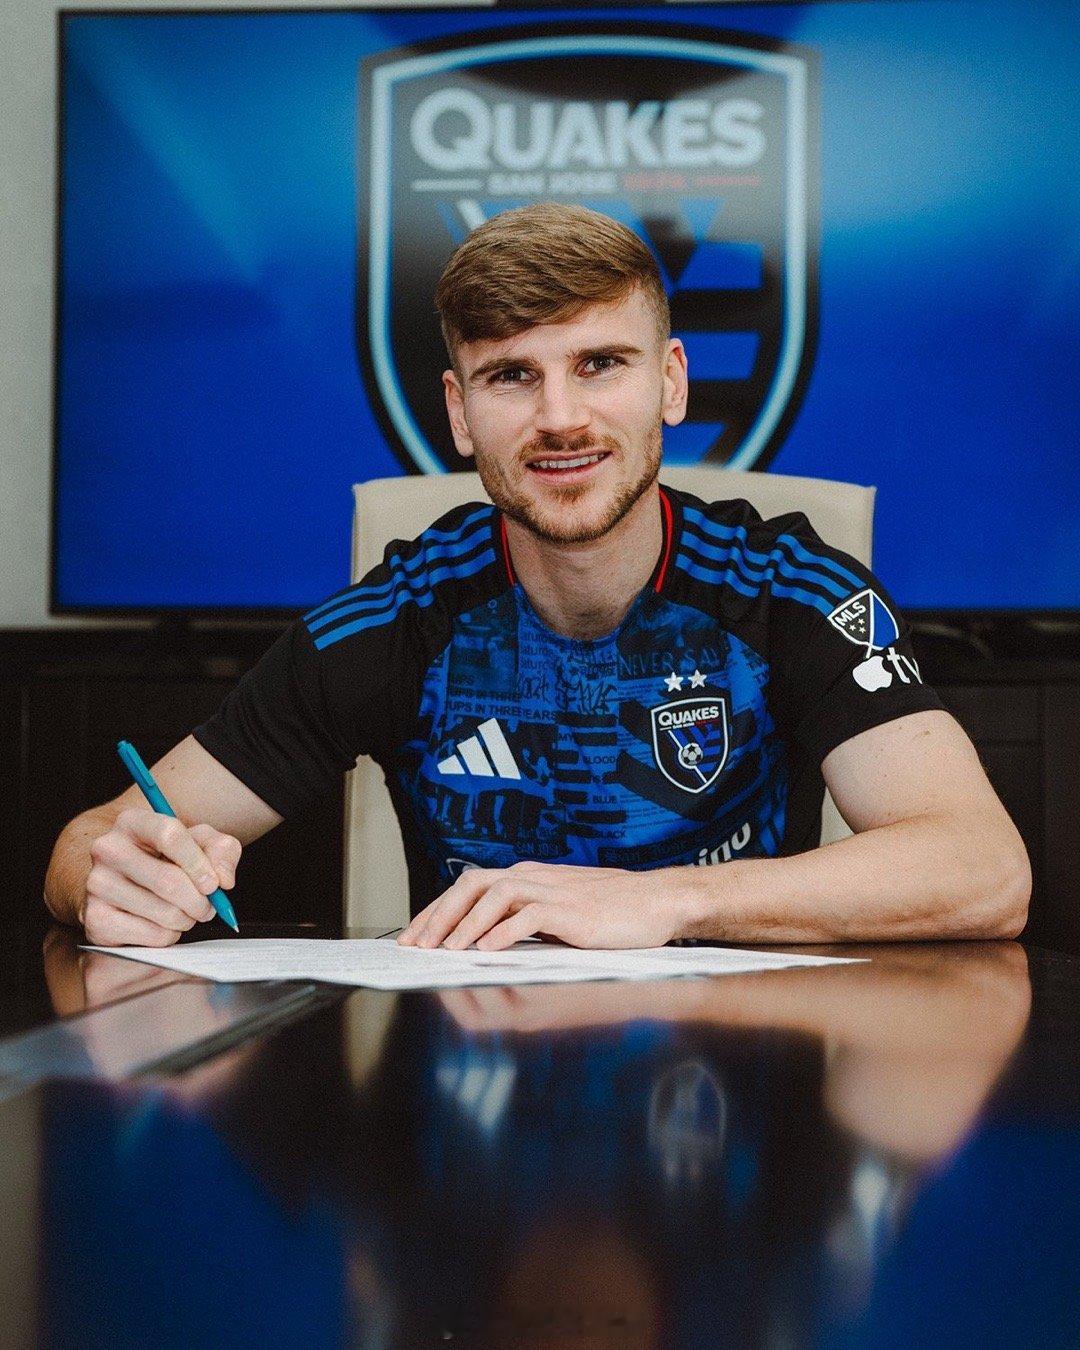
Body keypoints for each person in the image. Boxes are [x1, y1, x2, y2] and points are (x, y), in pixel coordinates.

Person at [44, 203, 1030, 951]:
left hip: (749, 1104)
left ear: (671, 383)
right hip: (466, 1111)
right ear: (459, 412)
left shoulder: (793, 590)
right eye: (512, 375)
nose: (560, 418)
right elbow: (91, 842)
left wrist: (667, 902)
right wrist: (114, 878)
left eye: (600, 364)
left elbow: (983, 869)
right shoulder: (394, 621)